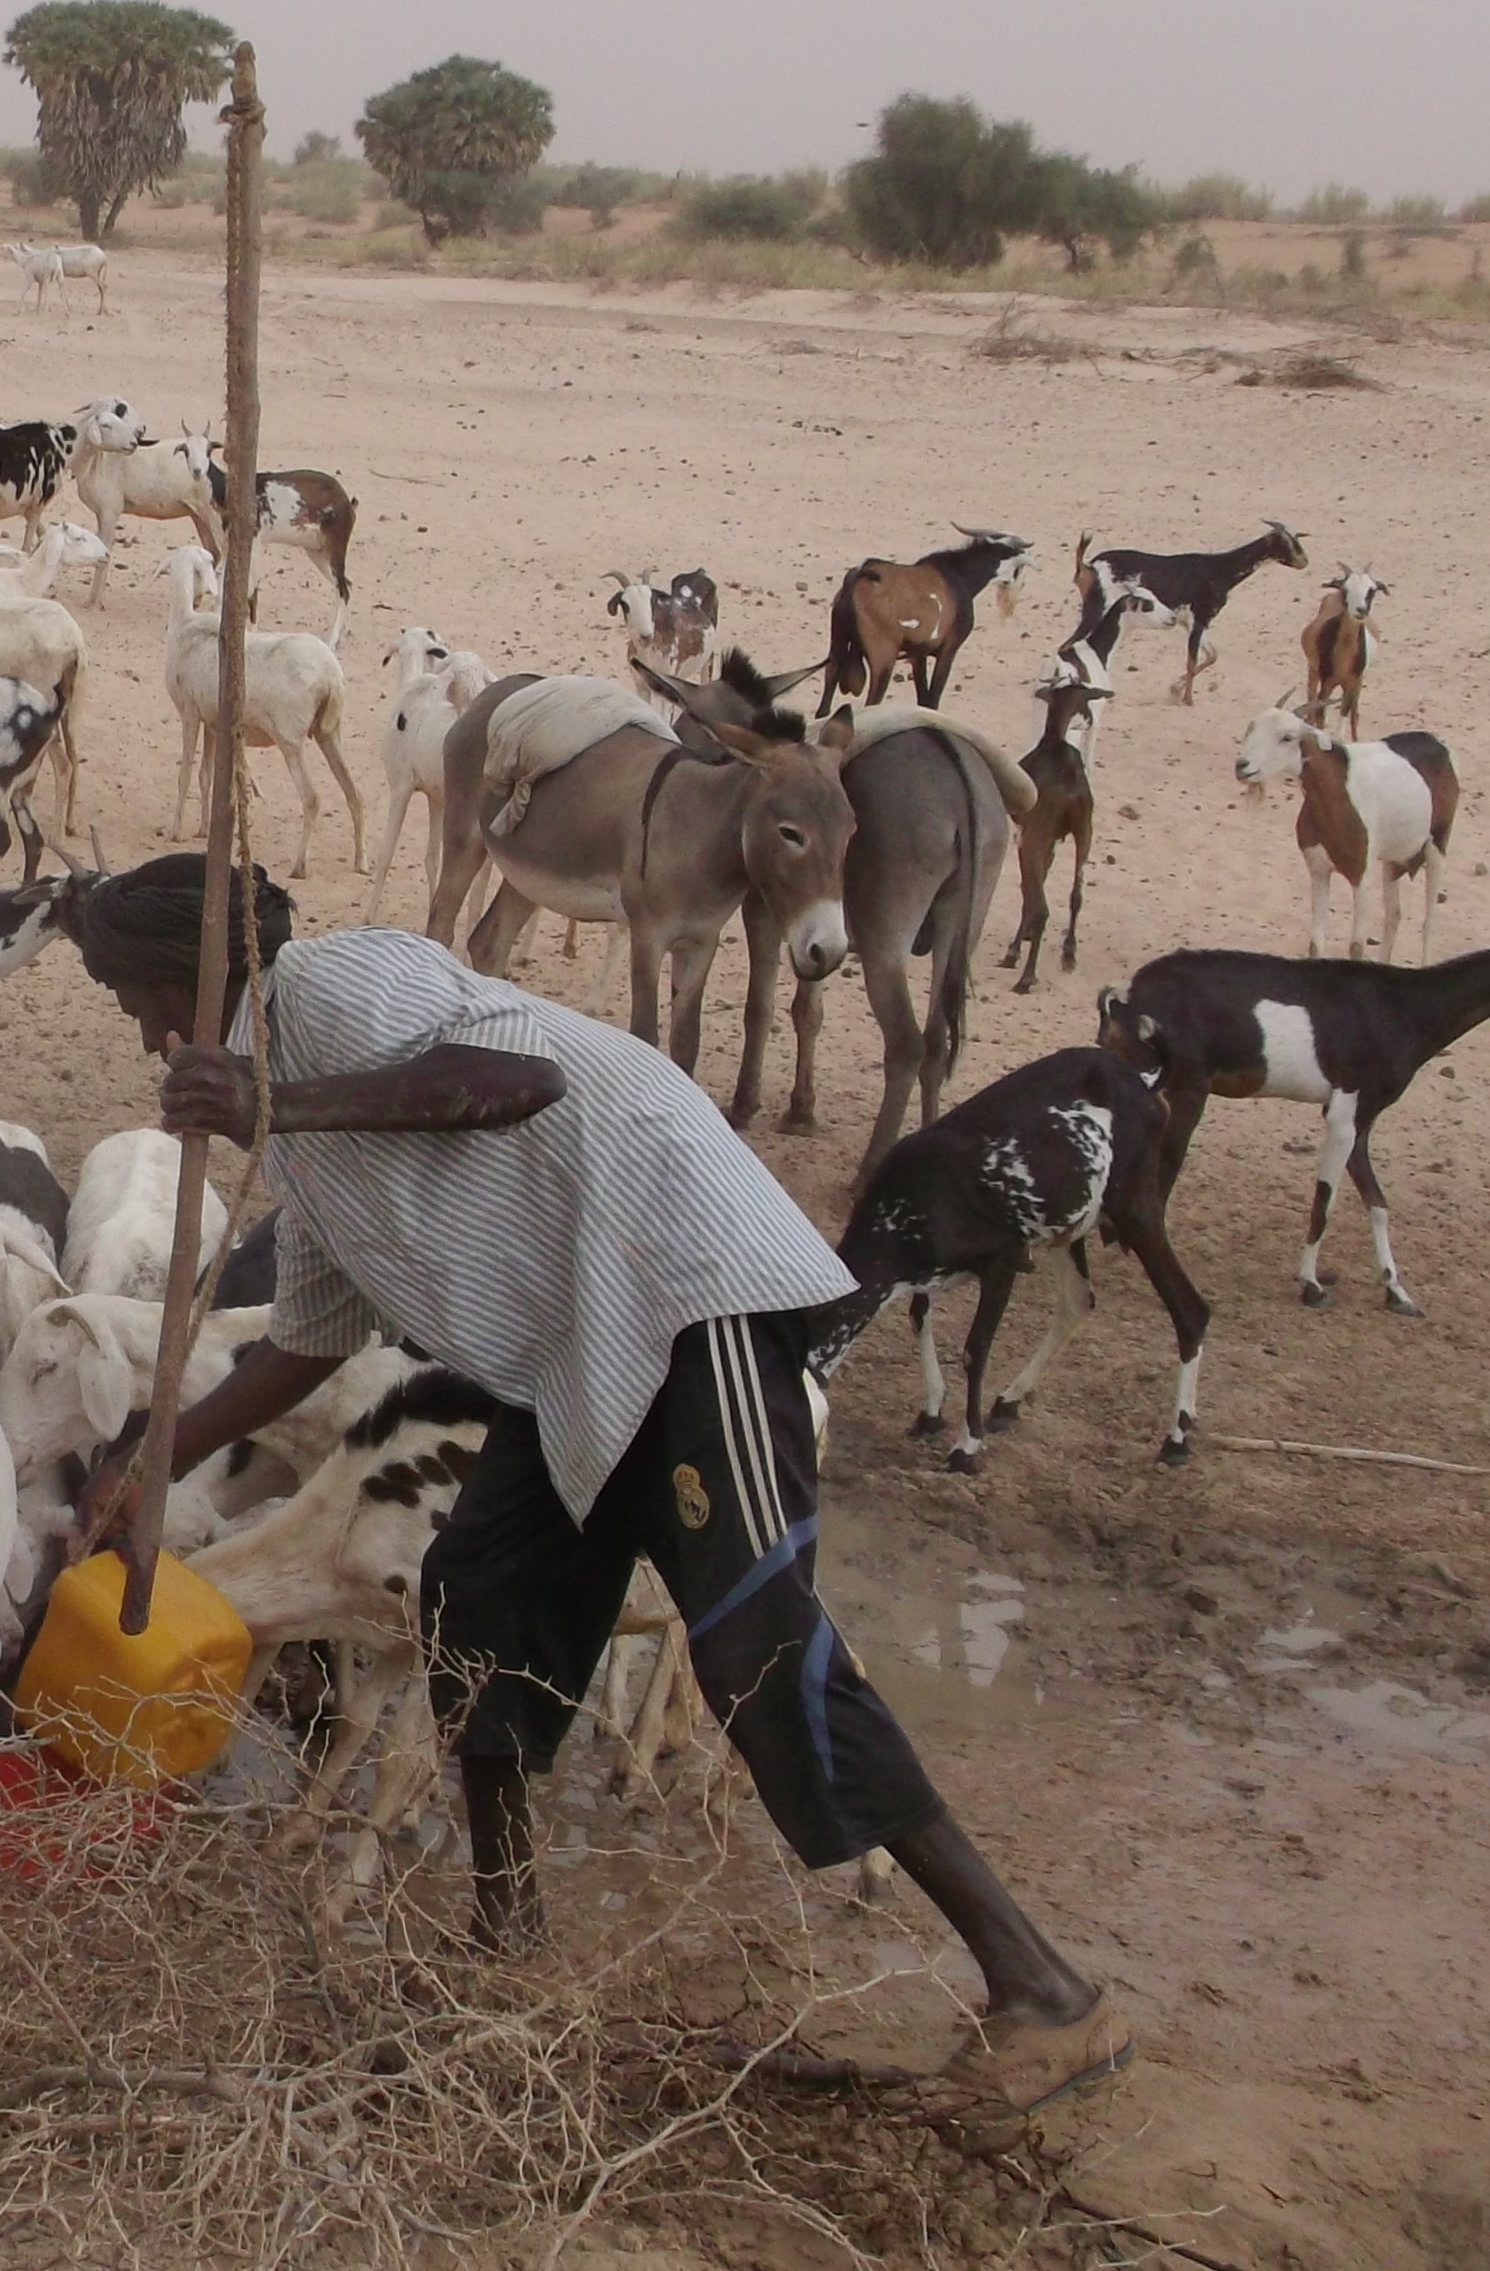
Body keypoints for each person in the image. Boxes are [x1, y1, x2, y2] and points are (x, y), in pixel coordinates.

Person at [62, 855, 1132, 2122]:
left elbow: (516, 1083)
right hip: (582, 1357)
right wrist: (154, 1465)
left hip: (685, 1292)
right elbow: (309, 1342)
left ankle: (1044, 1991)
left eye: (136, 997)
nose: (139, 1031)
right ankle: (504, 1945)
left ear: (191, 974)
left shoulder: (323, 982)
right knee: (475, 1602)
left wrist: (269, 1096)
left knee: (753, 1648)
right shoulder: (307, 1162)